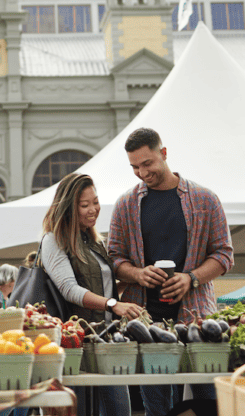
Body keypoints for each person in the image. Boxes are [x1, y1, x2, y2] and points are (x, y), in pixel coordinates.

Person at [108, 128, 234, 416]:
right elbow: (114, 258)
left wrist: (191, 278)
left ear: (164, 154)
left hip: (197, 316)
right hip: (146, 319)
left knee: (206, 399)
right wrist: (138, 274)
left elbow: (225, 255)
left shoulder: (205, 199)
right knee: (156, 405)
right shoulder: (126, 205)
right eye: (134, 167)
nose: (142, 172)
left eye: (147, 163)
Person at [43, 172, 142, 416]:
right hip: (75, 345)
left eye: (95, 202)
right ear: (67, 208)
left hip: (107, 342)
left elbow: (102, 285)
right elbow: (69, 289)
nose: (93, 209)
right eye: (84, 205)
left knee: (120, 411)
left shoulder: (95, 241)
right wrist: (112, 304)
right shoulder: (53, 240)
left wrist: (134, 284)